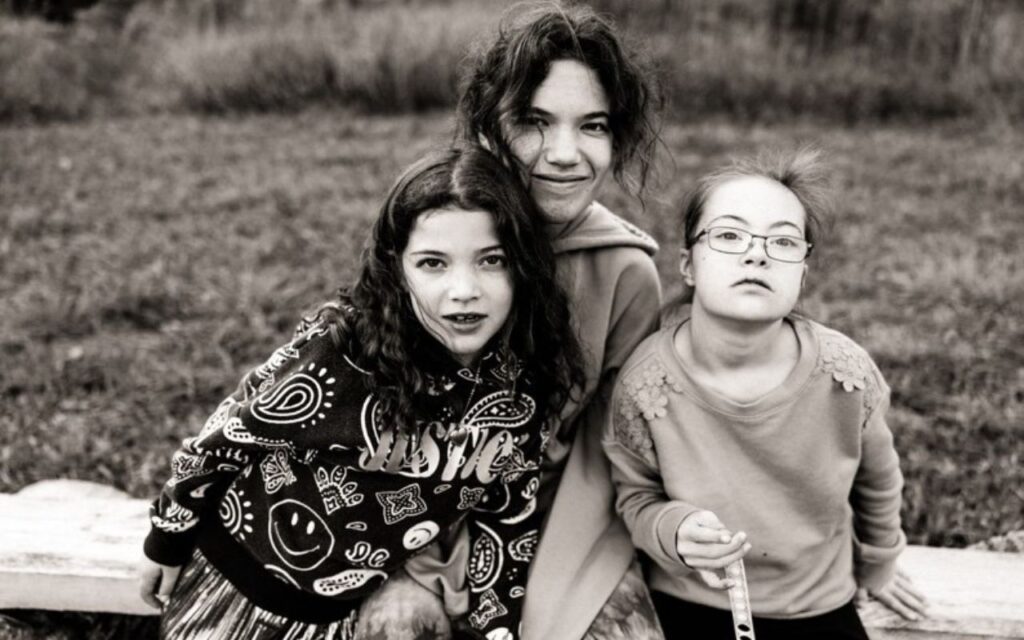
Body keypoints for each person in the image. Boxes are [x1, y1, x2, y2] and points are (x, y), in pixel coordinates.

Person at [137, 146, 584, 640]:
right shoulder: (345, 352)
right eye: (433, 263)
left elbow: (507, 521)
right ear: (397, 268)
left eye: (491, 261)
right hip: (232, 586)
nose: (464, 289)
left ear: (523, 266)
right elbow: (225, 440)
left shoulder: (521, 394)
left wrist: (499, 631)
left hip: (335, 619)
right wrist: (167, 541)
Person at [357, 4, 667, 639]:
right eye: (534, 121)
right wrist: (402, 564)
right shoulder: (436, 235)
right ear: (490, 127)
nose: (564, 154)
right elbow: (362, 414)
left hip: (556, 522)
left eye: (594, 126)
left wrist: (558, 591)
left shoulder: (624, 273)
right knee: (398, 627)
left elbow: (603, 451)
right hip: (401, 516)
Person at [601, 149, 929, 639]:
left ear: (803, 271)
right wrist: (673, 530)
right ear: (688, 265)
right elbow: (635, 497)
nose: (757, 254)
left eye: (782, 241)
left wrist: (880, 564)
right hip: (691, 600)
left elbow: (878, 482)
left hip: (816, 604)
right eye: (730, 235)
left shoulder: (844, 377)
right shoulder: (647, 386)